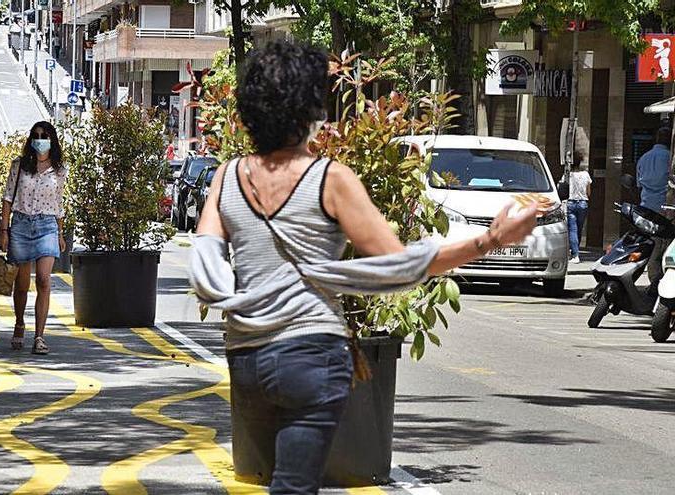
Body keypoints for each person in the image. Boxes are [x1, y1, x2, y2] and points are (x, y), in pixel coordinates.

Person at [188, 40, 538, 495]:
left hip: (246, 358)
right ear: (308, 108)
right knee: (294, 486)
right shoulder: (329, 178)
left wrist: (238, 297)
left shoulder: (227, 175)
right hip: (310, 353)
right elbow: (397, 265)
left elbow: (206, 257)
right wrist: (490, 238)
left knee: (276, 481)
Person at [0, 121, 68, 355]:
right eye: (36, 135)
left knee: (43, 280)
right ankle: (19, 323)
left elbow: (59, 204)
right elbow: (8, 197)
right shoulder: (19, 166)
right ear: (31, 139)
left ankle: (39, 336)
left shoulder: (60, 169)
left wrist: (60, 233)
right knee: (21, 284)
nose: (40, 139)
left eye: (45, 136)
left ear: (52, 140)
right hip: (20, 224)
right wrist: (4, 230)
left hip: (47, 225)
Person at [638, 127, 672, 290]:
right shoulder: (669, 159)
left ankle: (654, 280)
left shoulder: (644, 158)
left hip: (645, 210)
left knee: (650, 246)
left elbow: (638, 185)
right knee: (660, 248)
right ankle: (656, 281)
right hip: (664, 211)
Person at [567, 157, 592, 264]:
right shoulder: (586, 174)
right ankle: (575, 252)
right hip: (583, 203)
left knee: (572, 229)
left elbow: (563, 187)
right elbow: (588, 192)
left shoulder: (568, 175)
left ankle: (575, 254)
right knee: (579, 228)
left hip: (571, 202)